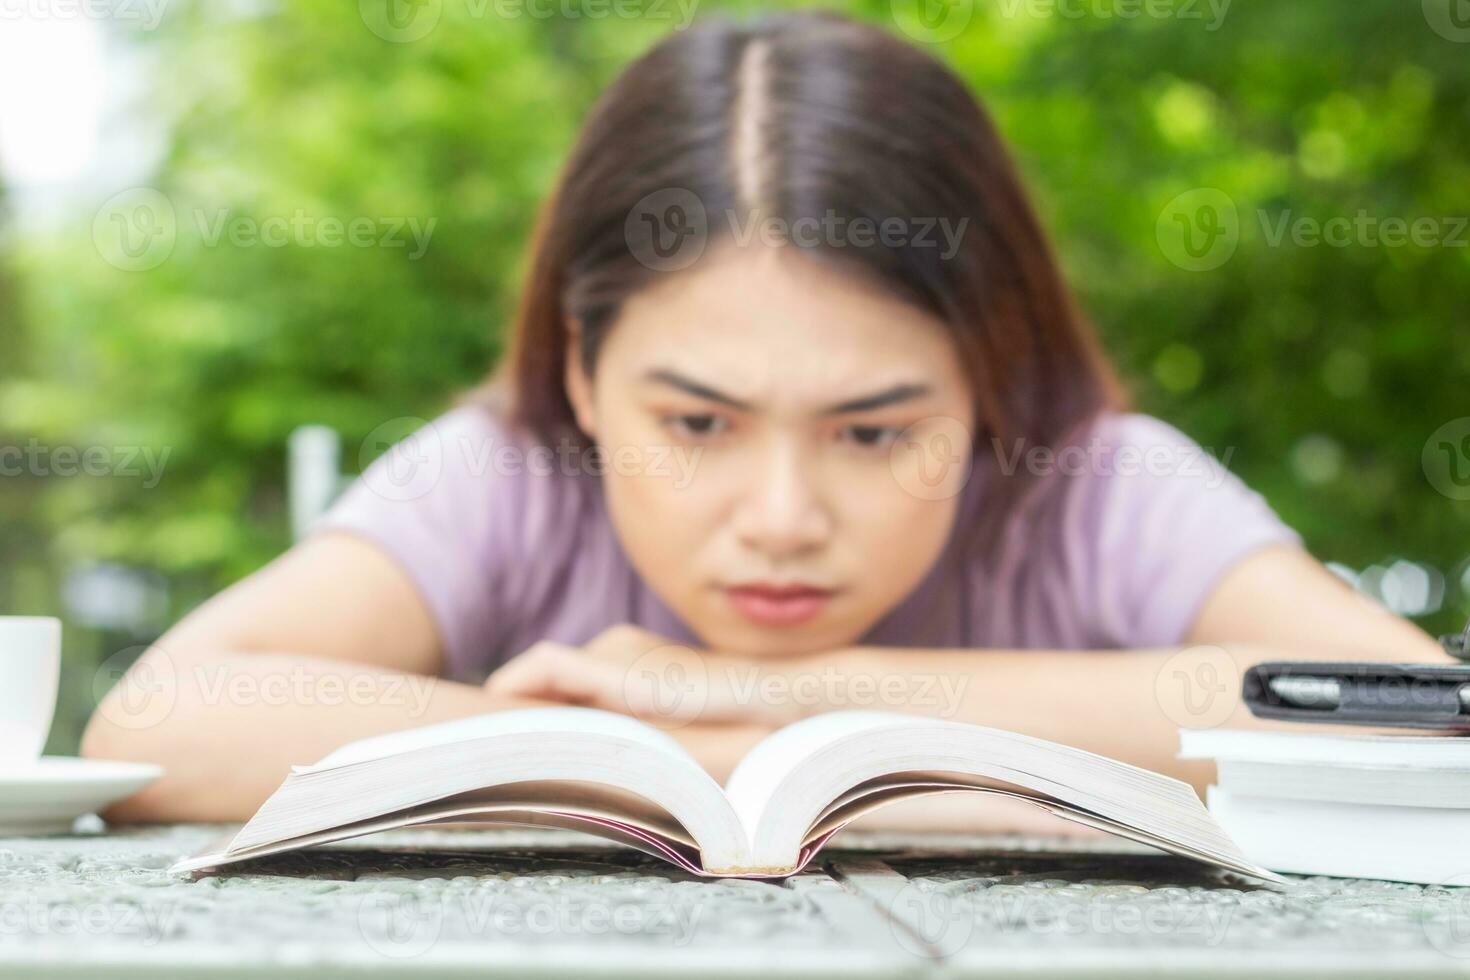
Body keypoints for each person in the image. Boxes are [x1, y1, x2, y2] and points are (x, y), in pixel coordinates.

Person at [83, 10, 1446, 824]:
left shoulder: (1093, 483)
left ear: (989, 375)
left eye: (872, 431)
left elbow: (1416, 719)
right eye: (695, 424)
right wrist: (674, 751)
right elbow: (168, 719)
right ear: (579, 372)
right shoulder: (509, 475)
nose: (782, 521)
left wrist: (787, 693)